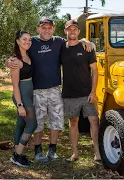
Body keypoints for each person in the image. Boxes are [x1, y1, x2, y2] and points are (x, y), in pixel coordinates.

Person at [6, 18, 93, 163]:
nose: (47, 30)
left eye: (49, 28)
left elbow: (73, 40)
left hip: (54, 89)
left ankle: (52, 151)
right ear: (38, 29)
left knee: (56, 121)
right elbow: (18, 53)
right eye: (43, 28)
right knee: (38, 122)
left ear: (53, 29)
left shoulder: (58, 42)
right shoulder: (31, 42)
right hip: (37, 90)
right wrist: (8, 61)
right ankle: (38, 151)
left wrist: (86, 40)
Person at [60, 20, 100, 162]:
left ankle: (97, 153)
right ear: (65, 31)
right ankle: (75, 153)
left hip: (87, 93)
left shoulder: (87, 48)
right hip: (69, 93)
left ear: (78, 31)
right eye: (69, 29)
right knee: (73, 122)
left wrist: (93, 92)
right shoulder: (62, 48)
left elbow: (95, 71)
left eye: (75, 29)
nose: (72, 32)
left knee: (94, 121)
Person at [10, 30, 37, 167]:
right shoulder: (15, 61)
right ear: (18, 42)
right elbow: (15, 86)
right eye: (24, 39)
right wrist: (20, 104)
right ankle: (17, 155)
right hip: (21, 96)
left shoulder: (28, 55)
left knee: (21, 125)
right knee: (32, 124)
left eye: (29, 39)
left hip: (29, 94)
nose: (27, 42)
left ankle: (17, 153)